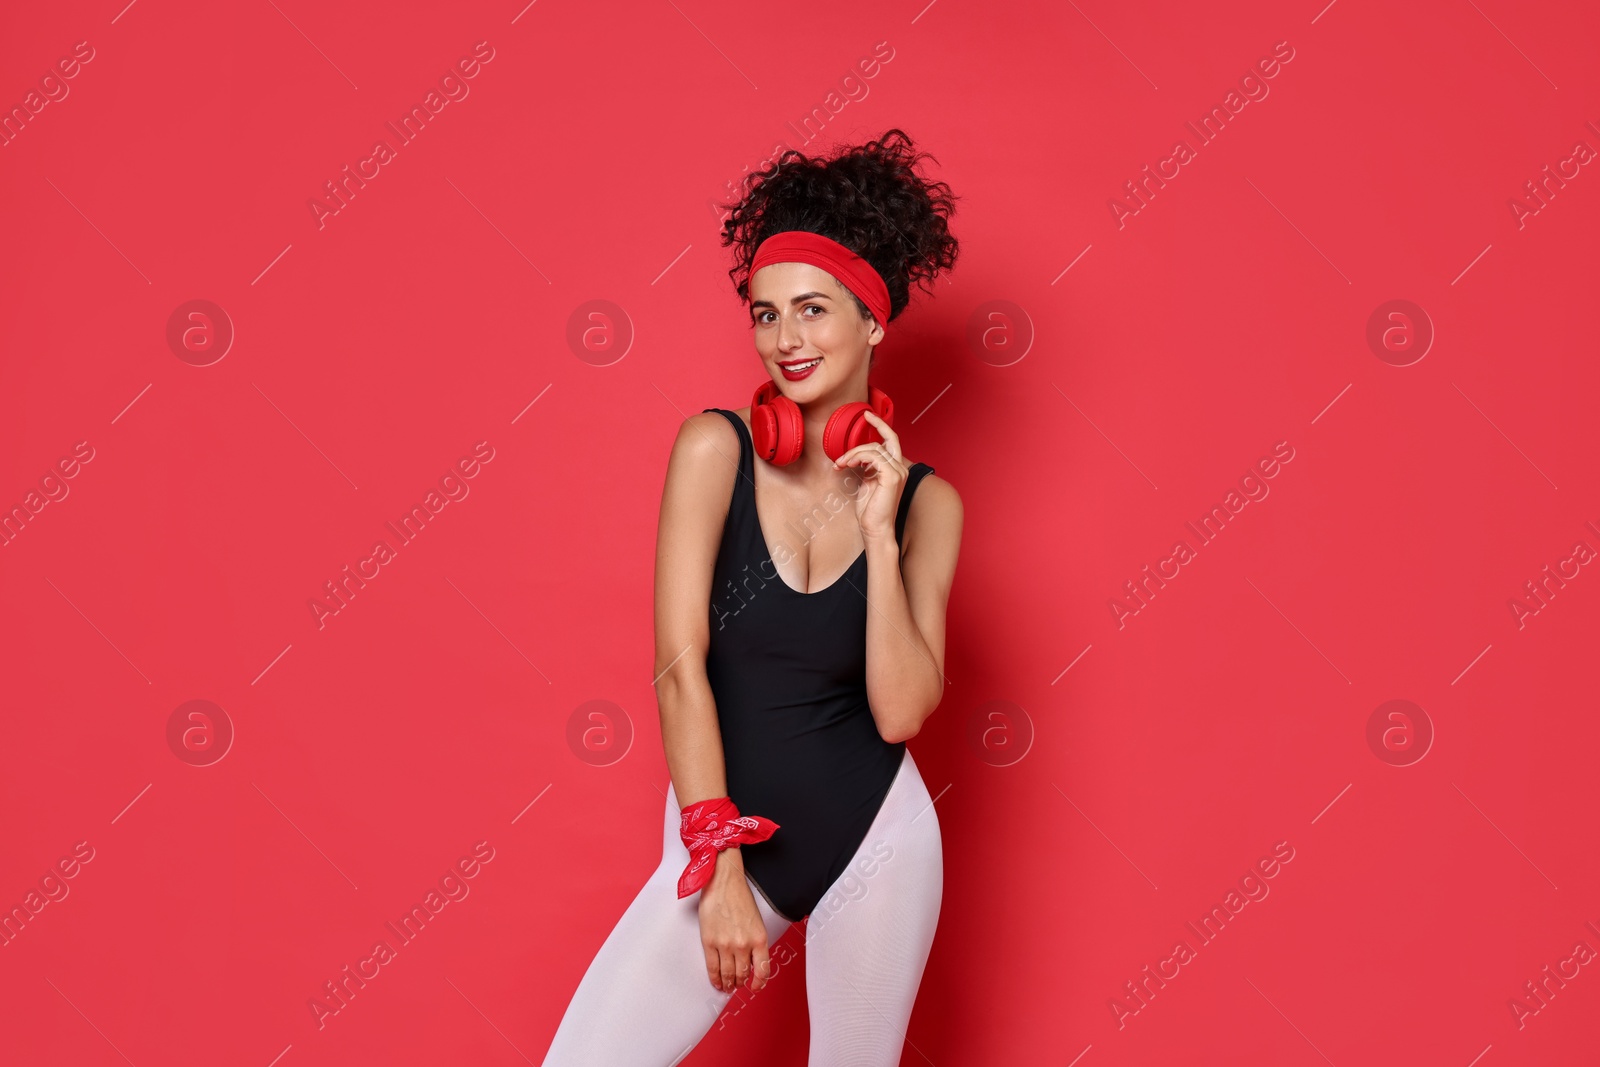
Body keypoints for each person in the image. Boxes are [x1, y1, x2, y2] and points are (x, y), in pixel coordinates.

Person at [540, 129, 963, 1066]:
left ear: (873, 322)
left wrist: (880, 533)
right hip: (724, 836)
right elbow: (679, 667)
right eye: (765, 315)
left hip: (877, 845)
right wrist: (717, 859)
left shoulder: (930, 505)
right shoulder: (713, 450)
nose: (786, 340)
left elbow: (899, 711)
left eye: (812, 311)